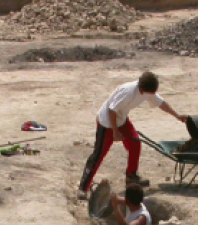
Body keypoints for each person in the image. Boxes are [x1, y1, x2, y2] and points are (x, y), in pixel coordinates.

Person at [78, 71, 186, 199]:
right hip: (107, 122)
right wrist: (114, 131)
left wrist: (177, 115)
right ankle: (83, 187)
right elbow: (111, 110)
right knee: (99, 154)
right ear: (143, 89)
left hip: (121, 119)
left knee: (135, 143)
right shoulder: (128, 92)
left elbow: (161, 104)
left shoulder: (146, 92)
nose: (153, 94)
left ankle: (131, 176)